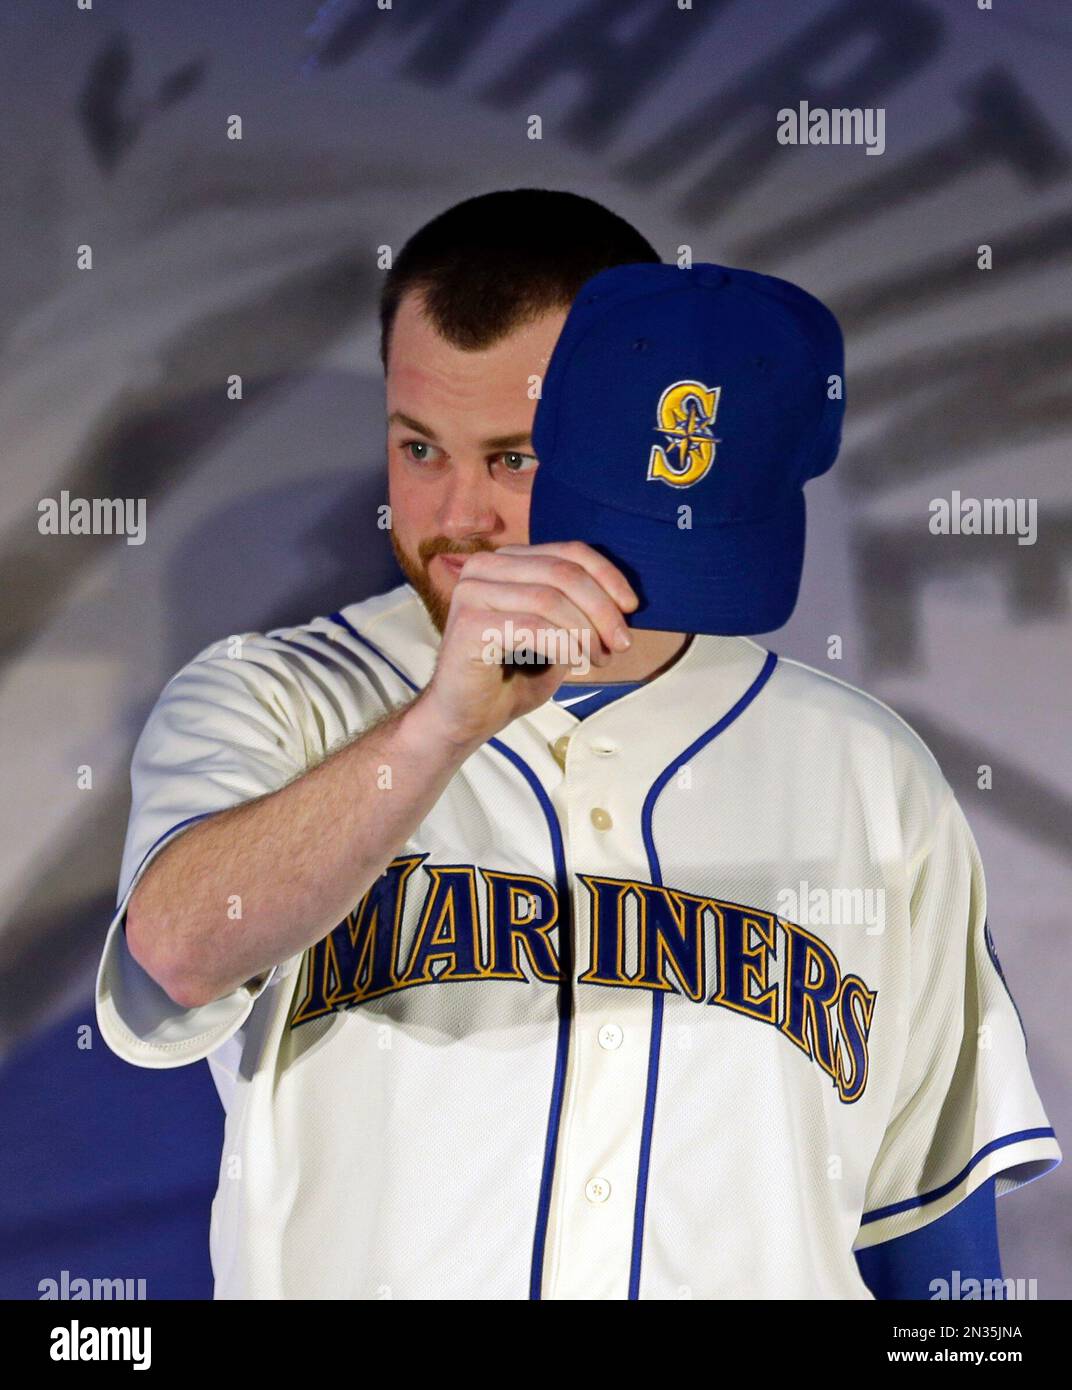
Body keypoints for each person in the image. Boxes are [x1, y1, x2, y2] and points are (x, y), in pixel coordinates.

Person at [95, 188, 1060, 1300]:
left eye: (514, 459)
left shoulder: (863, 772)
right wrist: (439, 728)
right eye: (419, 448)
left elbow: (930, 1239)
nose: (457, 516)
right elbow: (173, 956)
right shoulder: (271, 699)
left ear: (641, 438)